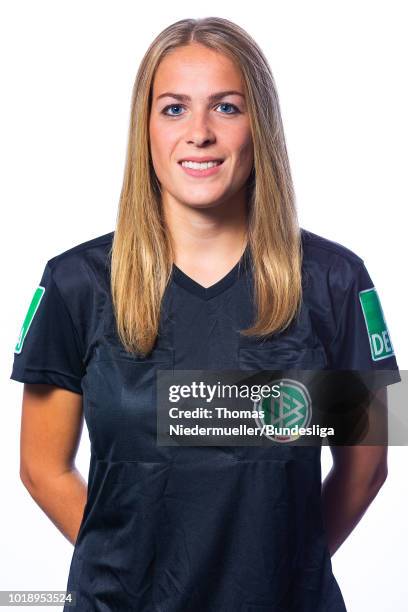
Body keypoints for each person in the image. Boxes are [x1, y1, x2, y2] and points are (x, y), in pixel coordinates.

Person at [10, 16, 401, 612]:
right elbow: (41, 468)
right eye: (173, 109)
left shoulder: (335, 280)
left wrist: (279, 576)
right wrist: (133, 573)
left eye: (225, 107)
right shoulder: (74, 284)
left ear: (259, 127)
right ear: (145, 129)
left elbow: (366, 470)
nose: (198, 132)